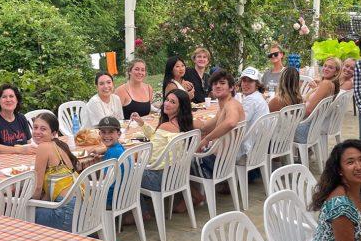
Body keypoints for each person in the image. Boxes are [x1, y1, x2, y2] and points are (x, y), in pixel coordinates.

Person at [305, 140, 361, 241]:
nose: (359, 166)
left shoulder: (358, 190)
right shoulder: (341, 206)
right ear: (340, 170)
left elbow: (358, 234)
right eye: (350, 162)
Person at [132, 89, 199, 217]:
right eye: (167, 100)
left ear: (180, 108)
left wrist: (136, 159)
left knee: (124, 172)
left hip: (159, 179)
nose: (167, 104)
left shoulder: (166, 126)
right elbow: (159, 138)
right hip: (175, 176)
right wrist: (142, 123)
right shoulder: (184, 125)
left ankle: (140, 212)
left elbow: (152, 157)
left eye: (172, 102)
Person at [30, 112, 80, 231]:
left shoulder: (43, 147)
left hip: (66, 215)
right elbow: (51, 188)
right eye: (35, 127)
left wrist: (26, 203)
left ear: (53, 134)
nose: (37, 132)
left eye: (43, 129)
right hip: (81, 212)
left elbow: (37, 188)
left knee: (18, 214)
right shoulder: (60, 145)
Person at [194, 70, 245, 178]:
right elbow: (204, 127)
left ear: (231, 88)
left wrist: (206, 139)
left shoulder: (231, 105)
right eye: (215, 84)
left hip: (217, 162)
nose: (217, 86)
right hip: (223, 161)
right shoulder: (222, 108)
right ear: (211, 89)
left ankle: (197, 195)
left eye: (222, 83)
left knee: (178, 165)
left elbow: (231, 122)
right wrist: (183, 120)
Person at [295, 57, 340, 142]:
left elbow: (308, 111)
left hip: (305, 129)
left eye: (330, 67)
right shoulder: (329, 83)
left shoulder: (326, 84)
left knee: (275, 126)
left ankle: (277, 153)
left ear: (336, 72)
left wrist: (292, 114)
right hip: (313, 128)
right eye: (325, 66)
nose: (326, 69)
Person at [0, 83, 35, 155]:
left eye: (11, 96)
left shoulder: (21, 118)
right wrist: (18, 150)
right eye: (4, 97)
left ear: (17, 100)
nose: (8, 100)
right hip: (2, 162)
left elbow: (29, 142)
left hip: (23, 161)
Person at [87, 116, 125, 205]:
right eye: (103, 132)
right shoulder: (119, 148)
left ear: (119, 134)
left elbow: (104, 180)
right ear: (99, 133)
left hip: (109, 198)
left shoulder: (112, 154)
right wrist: (101, 151)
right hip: (121, 194)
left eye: (111, 132)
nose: (106, 136)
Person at [238, 67, 269, 156]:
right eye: (244, 80)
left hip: (247, 150)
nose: (246, 84)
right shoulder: (258, 96)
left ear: (257, 84)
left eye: (250, 81)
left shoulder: (251, 100)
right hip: (258, 146)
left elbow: (237, 124)